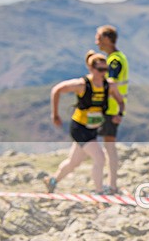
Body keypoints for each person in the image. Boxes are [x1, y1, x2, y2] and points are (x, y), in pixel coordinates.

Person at [46, 52, 125, 194]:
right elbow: (56, 90)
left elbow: (120, 101)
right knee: (100, 158)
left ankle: (52, 181)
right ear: (91, 69)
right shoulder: (81, 85)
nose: (103, 73)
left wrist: (119, 115)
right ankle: (99, 192)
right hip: (80, 128)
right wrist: (55, 114)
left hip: (93, 128)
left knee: (74, 162)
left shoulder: (109, 86)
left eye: (106, 69)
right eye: (100, 70)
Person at [95, 25, 129, 194]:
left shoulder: (114, 60)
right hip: (111, 110)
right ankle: (110, 184)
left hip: (111, 110)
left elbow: (111, 84)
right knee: (107, 147)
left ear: (108, 39)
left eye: (99, 38)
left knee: (109, 147)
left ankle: (112, 185)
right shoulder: (116, 57)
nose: (97, 42)